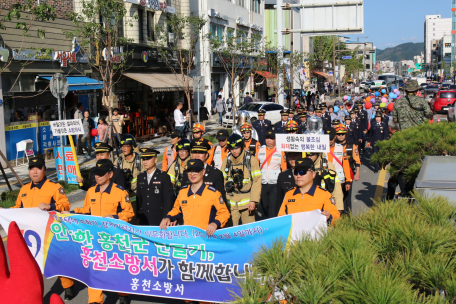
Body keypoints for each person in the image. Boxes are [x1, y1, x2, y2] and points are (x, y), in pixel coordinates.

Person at [63, 159, 134, 304]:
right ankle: (95, 301)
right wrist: (69, 213)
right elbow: (86, 210)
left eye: (101, 174)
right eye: (96, 174)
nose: (97, 177)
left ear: (110, 174)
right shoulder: (91, 191)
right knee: (95, 268)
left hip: (115, 238)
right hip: (95, 238)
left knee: (118, 268)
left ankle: (123, 294)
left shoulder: (120, 191)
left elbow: (129, 213)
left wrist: (114, 217)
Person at [3, 156, 74, 301]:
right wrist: (5, 212)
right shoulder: (24, 189)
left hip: (50, 233)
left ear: (44, 170)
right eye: (31, 169)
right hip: (30, 235)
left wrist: (51, 206)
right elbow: (18, 208)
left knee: (56, 261)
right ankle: (34, 295)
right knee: (31, 266)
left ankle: (68, 286)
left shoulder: (54, 187)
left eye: (38, 168)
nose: (34, 172)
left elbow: (65, 205)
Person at [160, 159, 230, 233]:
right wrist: (168, 218)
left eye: (196, 171)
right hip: (188, 237)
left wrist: (215, 223)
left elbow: (224, 213)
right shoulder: (182, 192)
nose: (192, 174)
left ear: (203, 172)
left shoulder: (213, 193)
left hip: (206, 237)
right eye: (189, 171)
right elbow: (176, 210)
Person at [278, 158, 340, 225]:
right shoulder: (289, 194)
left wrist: (329, 217)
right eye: (296, 172)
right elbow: (281, 218)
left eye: (302, 172)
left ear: (313, 174)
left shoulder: (324, 194)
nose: (298, 176)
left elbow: (337, 219)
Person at [221, 134, 262, 226]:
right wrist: (226, 185)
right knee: (231, 231)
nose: (234, 151)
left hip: (248, 204)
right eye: (231, 149)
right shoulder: (226, 161)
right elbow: (222, 179)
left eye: (236, 148)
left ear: (242, 146)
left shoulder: (251, 160)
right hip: (231, 203)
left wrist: (253, 201)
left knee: (249, 231)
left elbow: (257, 182)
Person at [136, 148, 174, 226]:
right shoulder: (140, 177)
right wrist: (138, 215)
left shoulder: (163, 177)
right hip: (144, 219)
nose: (145, 161)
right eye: (144, 159)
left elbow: (168, 200)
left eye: (148, 159)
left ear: (155, 160)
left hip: (159, 219)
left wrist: (166, 217)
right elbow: (139, 199)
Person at [256, 131, 287, 220]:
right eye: (267, 138)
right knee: (265, 204)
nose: (269, 140)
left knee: (273, 206)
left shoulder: (280, 150)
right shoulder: (260, 150)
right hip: (263, 182)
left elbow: (283, 168)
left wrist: (282, 184)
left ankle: (272, 222)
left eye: (271, 138)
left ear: (275, 140)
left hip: (275, 183)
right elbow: (256, 165)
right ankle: (266, 218)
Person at [114, 134, 145, 214]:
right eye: (122, 146)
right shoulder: (117, 161)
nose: (124, 149)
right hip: (121, 199)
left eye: (127, 146)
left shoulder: (140, 161)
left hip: (137, 198)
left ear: (132, 146)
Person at [335, 125, 361, 214]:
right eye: (338, 134)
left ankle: (347, 215)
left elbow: (357, 161)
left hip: (348, 174)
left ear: (346, 134)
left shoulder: (352, 146)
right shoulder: (332, 146)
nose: (341, 136)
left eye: (342, 134)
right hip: (336, 175)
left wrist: (357, 173)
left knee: (347, 196)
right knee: (336, 195)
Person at [325, 129, 353, 199]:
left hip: (338, 179)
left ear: (335, 137)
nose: (329, 141)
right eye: (327, 139)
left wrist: (348, 181)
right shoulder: (320, 149)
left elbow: (346, 165)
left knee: (338, 199)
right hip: (325, 179)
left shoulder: (341, 148)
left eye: (331, 139)